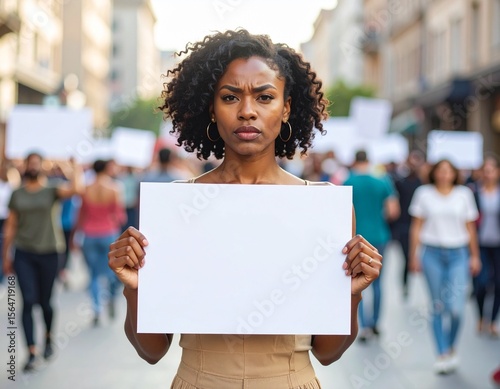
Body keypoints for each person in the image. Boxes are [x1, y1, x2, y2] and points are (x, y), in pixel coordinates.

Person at [108, 29, 382, 389]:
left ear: (286, 108)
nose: (247, 111)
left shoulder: (322, 206)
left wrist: (353, 292)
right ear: (211, 106)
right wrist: (134, 288)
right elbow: (152, 350)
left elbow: (327, 353)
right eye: (230, 97)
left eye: (265, 97)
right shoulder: (177, 206)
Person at [2, 152, 83, 372]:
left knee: (45, 302)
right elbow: (11, 225)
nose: (34, 166)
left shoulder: (52, 189)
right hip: (24, 253)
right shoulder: (17, 194)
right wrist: (5, 255)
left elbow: (76, 190)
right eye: (30, 163)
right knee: (28, 301)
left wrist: (75, 167)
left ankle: (48, 337)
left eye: (37, 163)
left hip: (49, 251)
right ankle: (31, 351)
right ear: (26, 166)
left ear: (42, 167)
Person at [409, 159, 481, 375]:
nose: (443, 174)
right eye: (440, 171)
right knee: (438, 306)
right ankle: (441, 353)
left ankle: (450, 347)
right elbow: (416, 227)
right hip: (432, 253)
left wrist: (475, 256)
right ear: (434, 173)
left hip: (458, 253)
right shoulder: (424, 193)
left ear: (454, 174)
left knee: (457, 308)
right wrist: (413, 255)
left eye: (448, 171)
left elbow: (470, 228)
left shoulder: (463, 194)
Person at [343, 150, 400, 341]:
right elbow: (393, 211)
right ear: (369, 161)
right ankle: (376, 322)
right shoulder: (382, 181)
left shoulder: (347, 181)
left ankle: (364, 325)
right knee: (378, 283)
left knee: (357, 282)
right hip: (379, 236)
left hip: (355, 239)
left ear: (354, 161)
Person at [74, 159, 126, 326]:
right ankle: (110, 297)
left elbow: (81, 215)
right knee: (112, 271)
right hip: (108, 233)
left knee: (94, 274)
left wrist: (74, 236)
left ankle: (97, 308)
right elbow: (120, 216)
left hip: (89, 234)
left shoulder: (86, 189)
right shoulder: (115, 188)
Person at [468, 156, 500, 337]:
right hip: (480, 244)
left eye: (491, 170)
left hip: (498, 245)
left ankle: (493, 320)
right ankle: (481, 317)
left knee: (498, 283)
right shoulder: (473, 192)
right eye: (485, 170)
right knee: (481, 283)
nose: (488, 174)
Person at [391, 150, 424, 298]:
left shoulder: (422, 184)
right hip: (404, 226)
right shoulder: (400, 182)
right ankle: (405, 284)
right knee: (406, 257)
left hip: (420, 226)